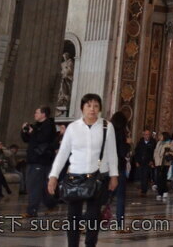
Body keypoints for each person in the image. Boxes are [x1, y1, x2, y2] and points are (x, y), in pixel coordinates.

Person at [47, 93, 120, 247]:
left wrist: (114, 175)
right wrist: (53, 175)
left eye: (95, 106)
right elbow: (63, 153)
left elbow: (112, 152)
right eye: (88, 105)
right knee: (73, 215)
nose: (92, 109)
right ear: (82, 108)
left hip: (98, 177)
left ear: (99, 109)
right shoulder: (73, 128)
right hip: (75, 176)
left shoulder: (107, 126)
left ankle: (90, 244)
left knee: (93, 216)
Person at [22, 107, 58, 216]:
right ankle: (51, 204)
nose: (35, 114)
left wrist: (33, 132)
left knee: (34, 185)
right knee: (40, 185)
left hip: (41, 160)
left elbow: (42, 139)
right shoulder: (36, 126)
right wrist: (24, 130)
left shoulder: (49, 125)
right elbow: (27, 139)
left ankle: (32, 210)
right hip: (34, 159)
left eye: (37, 112)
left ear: (43, 114)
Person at [107, 112, 129, 226]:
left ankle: (91, 220)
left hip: (107, 168)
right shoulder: (121, 134)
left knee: (107, 196)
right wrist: (128, 145)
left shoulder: (108, 132)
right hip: (119, 167)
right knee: (120, 197)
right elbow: (122, 152)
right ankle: (120, 222)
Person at [130, 130, 156, 197]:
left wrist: (152, 161)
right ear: (143, 135)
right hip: (141, 161)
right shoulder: (140, 142)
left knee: (145, 176)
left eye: (148, 134)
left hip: (148, 162)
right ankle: (142, 188)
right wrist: (136, 161)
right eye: (146, 134)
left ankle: (144, 190)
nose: (147, 136)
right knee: (141, 176)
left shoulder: (153, 142)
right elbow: (137, 152)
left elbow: (154, 153)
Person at [153, 133, 173, 200]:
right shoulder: (159, 143)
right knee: (158, 177)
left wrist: (168, 154)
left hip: (165, 163)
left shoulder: (170, 143)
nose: (160, 137)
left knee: (163, 177)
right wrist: (155, 157)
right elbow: (156, 150)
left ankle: (164, 191)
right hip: (158, 162)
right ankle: (160, 192)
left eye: (161, 136)